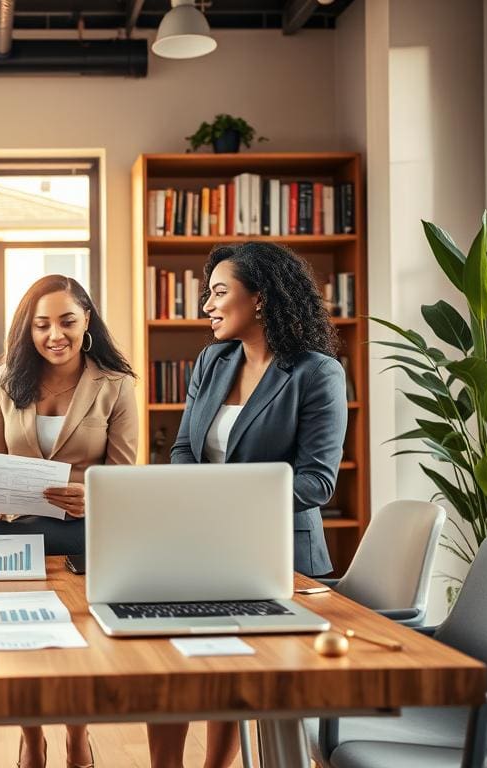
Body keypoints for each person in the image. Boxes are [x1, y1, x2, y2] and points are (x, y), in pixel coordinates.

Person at [146, 241, 348, 768]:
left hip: (280, 555)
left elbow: (318, 482)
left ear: (259, 298)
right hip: (205, 547)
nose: (207, 306)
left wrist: (229, 505)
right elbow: (186, 447)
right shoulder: (214, 360)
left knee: (233, 671)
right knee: (171, 661)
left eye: (218, 292)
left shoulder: (315, 372)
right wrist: (204, 503)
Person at [0, 274, 138, 768]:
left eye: (66, 321)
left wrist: (92, 496)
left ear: (87, 320)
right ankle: (31, 737)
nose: (54, 335)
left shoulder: (115, 384)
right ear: (28, 329)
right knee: (22, 637)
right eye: (41, 325)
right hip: (18, 528)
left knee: (77, 639)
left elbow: (125, 476)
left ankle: (76, 735)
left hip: (87, 531)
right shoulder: (7, 380)